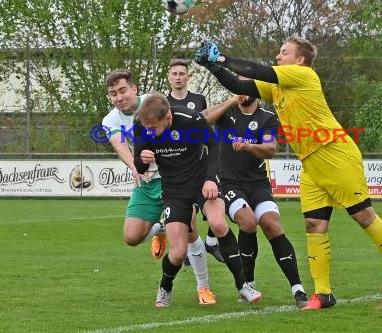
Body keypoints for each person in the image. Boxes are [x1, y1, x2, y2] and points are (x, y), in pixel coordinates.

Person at [194, 36, 382, 309]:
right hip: (309, 163)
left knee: (363, 216)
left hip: (335, 153)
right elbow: (239, 84)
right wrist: (213, 67)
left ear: (300, 60)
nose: (279, 56)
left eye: (285, 52)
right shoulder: (278, 87)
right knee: (314, 225)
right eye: (279, 52)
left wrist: (220, 58)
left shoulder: (304, 75)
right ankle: (323, 294)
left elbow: (256, 70)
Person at [133, 92, 262, 307]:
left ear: (168, 118)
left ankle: (244, 286)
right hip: (174, 190)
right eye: (146, 128)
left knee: (219, 224)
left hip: (203, 182)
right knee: (178, 252)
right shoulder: (142, 125)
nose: (149, 131)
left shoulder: (191, 120)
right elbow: (139, 166)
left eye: (153, 128)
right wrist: (142, 160)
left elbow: (214, 146)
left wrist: (211, 179)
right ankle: (165, 287)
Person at [102, 69, 216, 305]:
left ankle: (203, 288)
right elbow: (119, 145)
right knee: (131, 237)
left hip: (172, 181)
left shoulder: (154, 103)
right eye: (113, 94)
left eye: (122, 90)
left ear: (134, 89)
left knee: (190, 231)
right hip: (145, 183)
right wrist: (136, 167)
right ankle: (160, 230)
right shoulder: (110, 120)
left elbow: (188, 126)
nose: (119, 97)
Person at [205, 94, 309, 308]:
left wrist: (248, 146)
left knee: (272, 225)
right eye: (238, 86)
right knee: (248, 221)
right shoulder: (228, 111)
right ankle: (248, 284)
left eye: (246, 86)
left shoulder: (267, 118)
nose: (242, 91)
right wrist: (231, 102)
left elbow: (270, 149)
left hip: (258, 184)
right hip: (229, 183)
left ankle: (298, 289)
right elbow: (206, 119)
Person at [165, 59, 224, 264]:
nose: (178, 77)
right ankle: (191, 249)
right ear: (169, 77)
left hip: (199, 161)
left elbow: (206, 125)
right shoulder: (164, 103)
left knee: (216, 199)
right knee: (187, 213)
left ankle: (208, 242)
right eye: (175, 74)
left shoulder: (199, 99)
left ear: (188, 77)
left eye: (182, 74)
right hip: (176, 166)